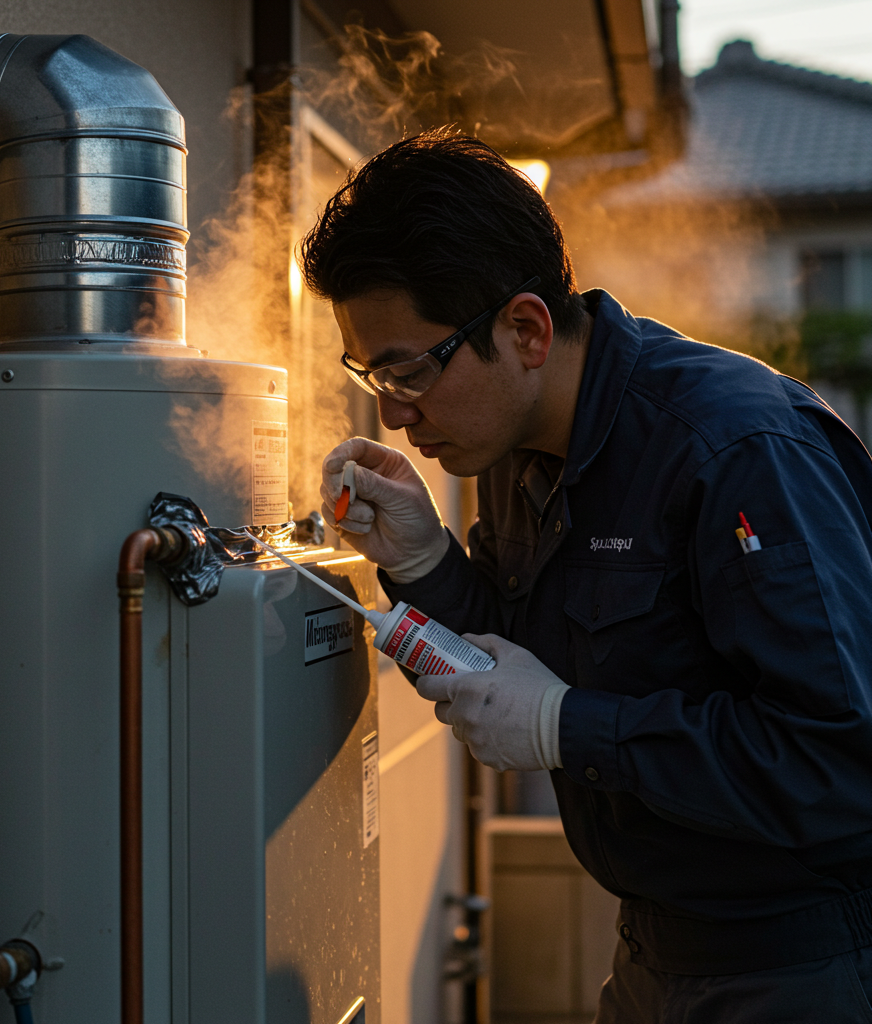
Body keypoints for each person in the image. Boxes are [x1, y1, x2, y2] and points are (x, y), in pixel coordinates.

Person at [299, 129, 872, 1021]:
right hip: (654, 949)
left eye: (407, 369)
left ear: (524, 328)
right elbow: (509, 659)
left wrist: (572, 726)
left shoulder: (735, 449)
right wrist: (423, 563)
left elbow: (837, 764)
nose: (393, 408)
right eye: (370, 372)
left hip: (807, 964)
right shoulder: (513, 446)